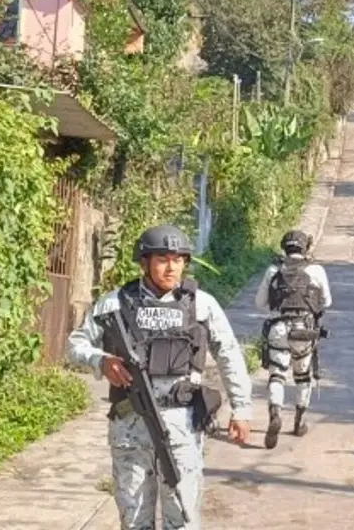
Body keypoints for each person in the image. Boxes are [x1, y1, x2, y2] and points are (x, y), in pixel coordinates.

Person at [66, 224, 253, 530]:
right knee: (134, 520)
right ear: (145, 262)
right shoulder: (116, 303)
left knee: (182, 519)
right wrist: (102, 361)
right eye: (163, 259)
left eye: (178, 259)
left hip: (181, 428)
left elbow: (229, 355)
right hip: (130, 429)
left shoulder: (201, 305)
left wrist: (241, 410)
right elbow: (75, 344)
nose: (171, 267)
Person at [254, 229, 332, 449]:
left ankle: (275, 413)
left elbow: (260, 303)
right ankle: (299, 421)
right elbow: (327, 302)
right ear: (305, 247)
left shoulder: (273, 270)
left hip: (278, 328)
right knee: (302, 376)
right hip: (304, 331)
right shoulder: (316, 270)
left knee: (277, 375)